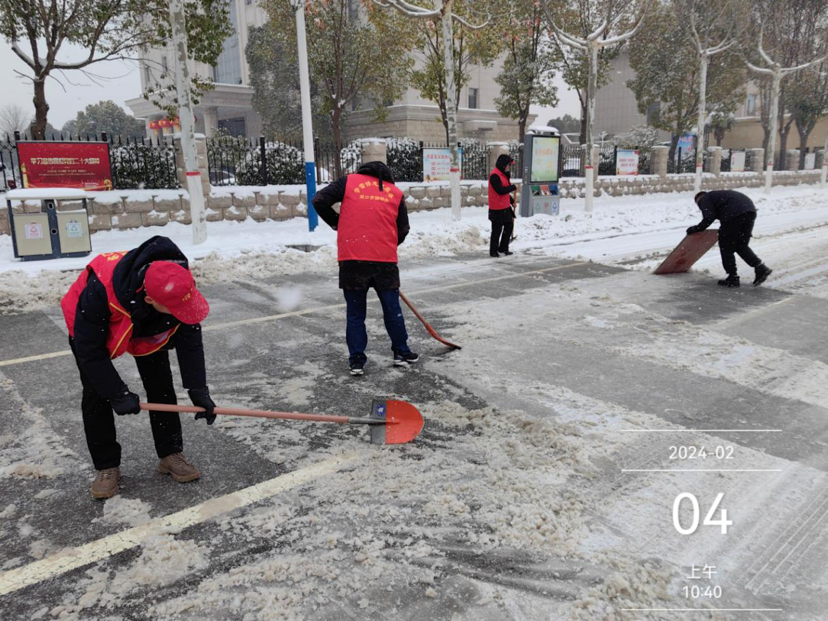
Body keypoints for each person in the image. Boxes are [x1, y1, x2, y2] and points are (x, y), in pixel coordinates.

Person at [61, 236, 217, 499]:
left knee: (160, 382)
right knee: (96, 391)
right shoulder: (99, 291)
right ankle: (107, 465)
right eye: (176, 309)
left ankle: (170, 453)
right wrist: (117, 393)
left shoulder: (177, 282)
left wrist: (198, 389)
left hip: (146, 316)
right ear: (150, 299)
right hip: (94, 320)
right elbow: (90, 352)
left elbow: (190, 339)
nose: (183, 312)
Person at [312, 161, 419, 376]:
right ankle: (401, 352)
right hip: (384, 261)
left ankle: (356, 361)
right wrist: (387, 243)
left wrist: (337, 222)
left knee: (355, 313)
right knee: (392, 309)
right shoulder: (395, 192)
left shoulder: (348, 182)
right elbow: (403, 228)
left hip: (352, 259)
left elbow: (319, 200)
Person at [686, 190, 772, 288]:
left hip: (733, 215)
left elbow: (708, 217)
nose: (700, 206)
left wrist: (696, 228)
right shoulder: (718, 196)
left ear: (698, 199)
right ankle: (760, 267)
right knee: (741, 245)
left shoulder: (704, 198)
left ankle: (733, 278)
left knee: (726, 246)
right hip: (749, 212)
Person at [488, 154, 517, 258]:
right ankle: (493, 251)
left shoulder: (503, 175)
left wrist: (512, 201)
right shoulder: (494, 176)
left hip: (504, 206)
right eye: (508, 165)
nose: (509, 167)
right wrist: (512, 187)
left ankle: (503, 248)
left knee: (509, 226)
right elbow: (500, 190)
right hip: (496, 208)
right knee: (497, 230)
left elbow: (505, 192)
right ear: (503, 164)